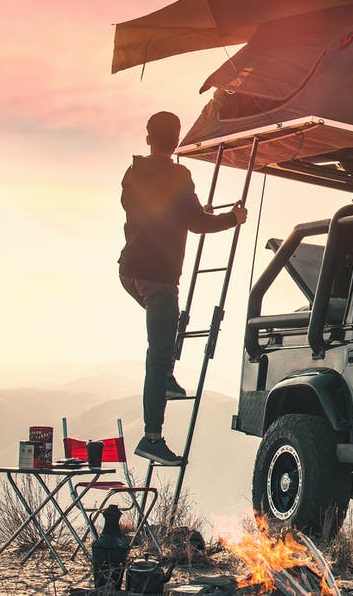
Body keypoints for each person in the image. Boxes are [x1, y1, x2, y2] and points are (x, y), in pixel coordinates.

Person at [118, 111, 247, 465]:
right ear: (176, 140)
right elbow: (195, 222)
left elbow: (150, 210)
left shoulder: (133, 173)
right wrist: (232, 219)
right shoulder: (178, 174)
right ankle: (151, 438)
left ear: (148, 137)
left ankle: (168, 381)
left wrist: (184, 209)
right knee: (158, 356)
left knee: (164, 336)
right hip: (158, 277)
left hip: (130, 272)